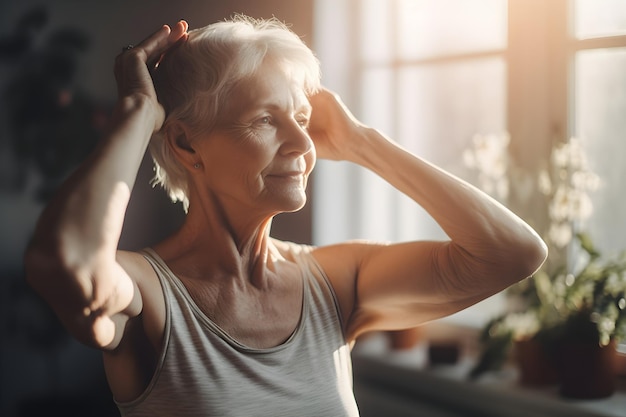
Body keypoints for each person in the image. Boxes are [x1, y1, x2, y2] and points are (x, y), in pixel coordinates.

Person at [24, 15, 547, 417]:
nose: (302, 142)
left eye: (301, 118)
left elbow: (513, 253)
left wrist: (361, 142)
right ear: (185, 143)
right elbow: (64, 260)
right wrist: (138, 114)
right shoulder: (148, 294)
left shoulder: (337, 282)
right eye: (264, 120)